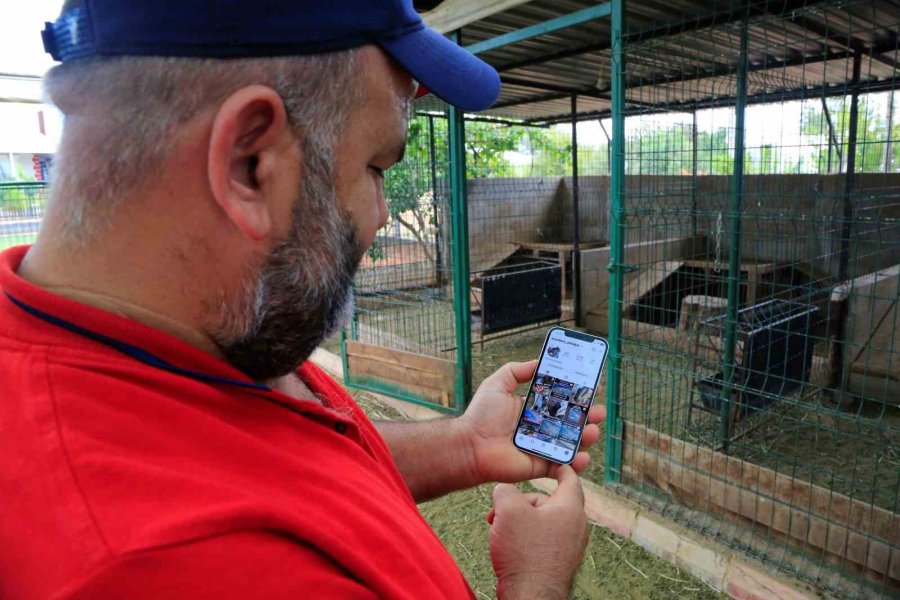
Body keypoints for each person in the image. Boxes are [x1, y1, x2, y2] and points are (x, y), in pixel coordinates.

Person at [0, 1, 606, 598]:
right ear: (250, 163)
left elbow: (275, 458)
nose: (382, 213)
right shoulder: (177, 568)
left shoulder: (188, 336)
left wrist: (465, 446)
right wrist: (537, 580)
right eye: (375, 166)